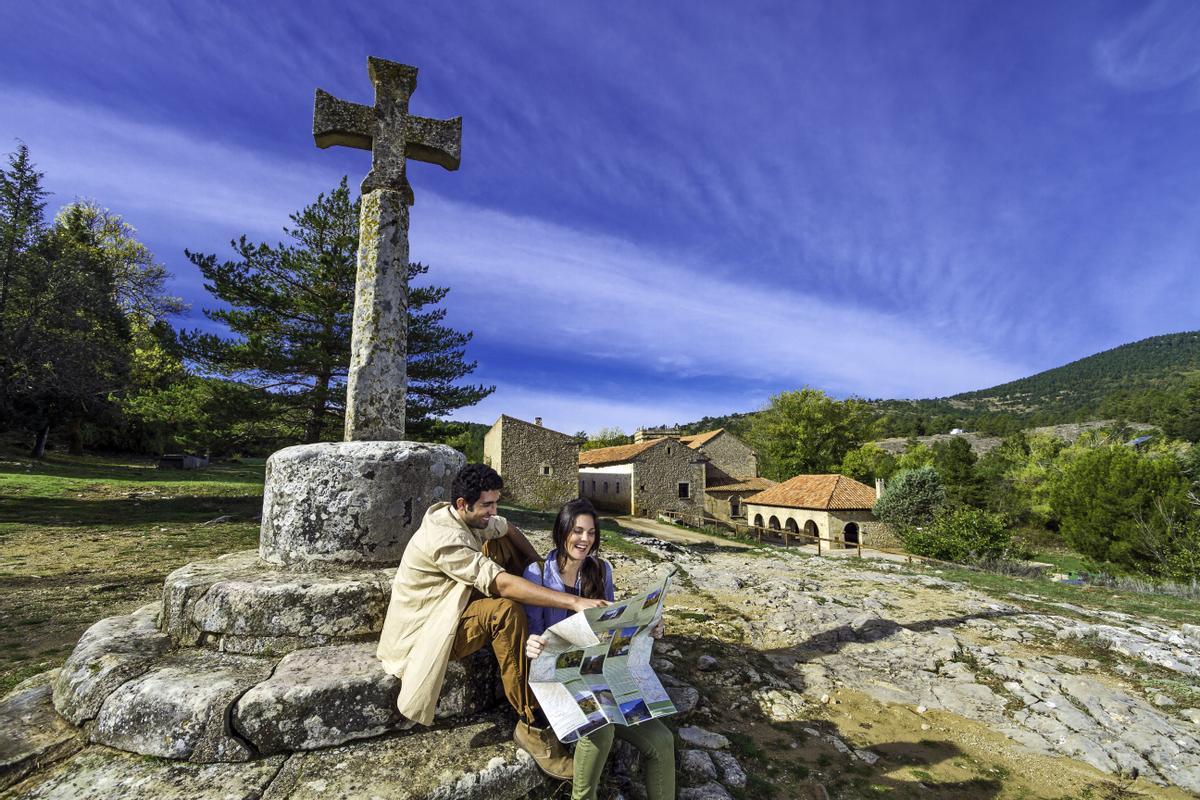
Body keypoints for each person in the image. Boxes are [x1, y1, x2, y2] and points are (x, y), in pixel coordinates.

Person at [376, 464, 608, 780]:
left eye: (495, 502)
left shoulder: (471, 517)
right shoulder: (444, 537)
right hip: (425, 631)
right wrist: (572, 600)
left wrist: (538, 568)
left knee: (500, 542)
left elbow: (507, 528)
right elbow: (500, 584)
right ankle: (531, 724)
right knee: (505, 612)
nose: (493, 510)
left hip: (452, 606)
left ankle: (537, 613)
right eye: (487, 504)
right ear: (462, 504)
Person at [523, 498, 676, 800]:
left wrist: (650, 628)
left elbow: (614, 629)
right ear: (562, 530)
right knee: (601, 728)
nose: (584, 540)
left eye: (591, 533)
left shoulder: (602, 570)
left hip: (599, 676)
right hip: (558, 681)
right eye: (578, 531)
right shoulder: (537, 573)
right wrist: (532, 643)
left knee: (662, 740)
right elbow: (533, 631)